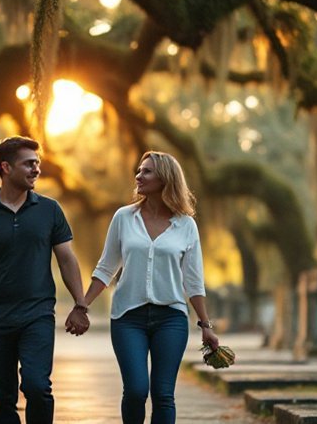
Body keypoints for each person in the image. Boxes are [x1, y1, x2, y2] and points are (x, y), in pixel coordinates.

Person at [69, 151, 218, 424]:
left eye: (147, 171)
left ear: (165, 178)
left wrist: (206, 325)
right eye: (139, 170)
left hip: (171, 319)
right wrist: (82, 306)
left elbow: (193, 280)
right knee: (136, 390)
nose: (138, 176)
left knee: (163, 394)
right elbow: (106, 268)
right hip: (128, 317)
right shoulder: (124, 218)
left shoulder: (186, 226)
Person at [0, 136, 90, 424]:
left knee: (37, 386)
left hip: (37, 315)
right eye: (29, 164)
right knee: (3, 398)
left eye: (37, 163)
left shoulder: (49, 210)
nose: (36, 169)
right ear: (5, 167)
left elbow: (66, 258)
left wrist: (80, 304)